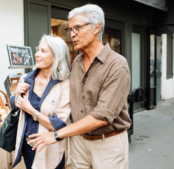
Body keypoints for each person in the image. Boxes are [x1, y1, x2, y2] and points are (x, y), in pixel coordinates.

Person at [28, 4, 132, 169]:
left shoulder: (117, 65)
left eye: (77, 28)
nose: (72, 34)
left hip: (108, 144)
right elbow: (60, 89)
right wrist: (29, 82)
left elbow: (101, 116)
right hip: (78, 141)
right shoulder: (76, 62)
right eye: (70, 30)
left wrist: (56, 134)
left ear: (96, 27)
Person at [10, 34, 71, 169]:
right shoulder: (27, 79)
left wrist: (30, 110)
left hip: (50, 147)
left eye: (43, 51)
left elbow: (60, 124)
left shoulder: (65, 84)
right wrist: (17, 93)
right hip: (28, 147)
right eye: (38, 50)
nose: (37, 54)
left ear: (55, 57)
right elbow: (14, 104)